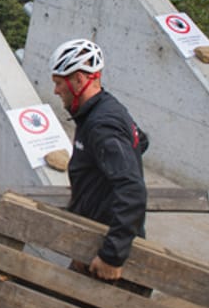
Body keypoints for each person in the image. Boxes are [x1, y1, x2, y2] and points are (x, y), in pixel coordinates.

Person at [49, 38, 149, 282]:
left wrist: (112, 256)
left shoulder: (102, 125)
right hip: (93, 237)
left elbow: (133, 189)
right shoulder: (103, 108)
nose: (56, 90)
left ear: (80, 79)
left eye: (59, 82)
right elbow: (141, 141)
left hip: (107, 253)